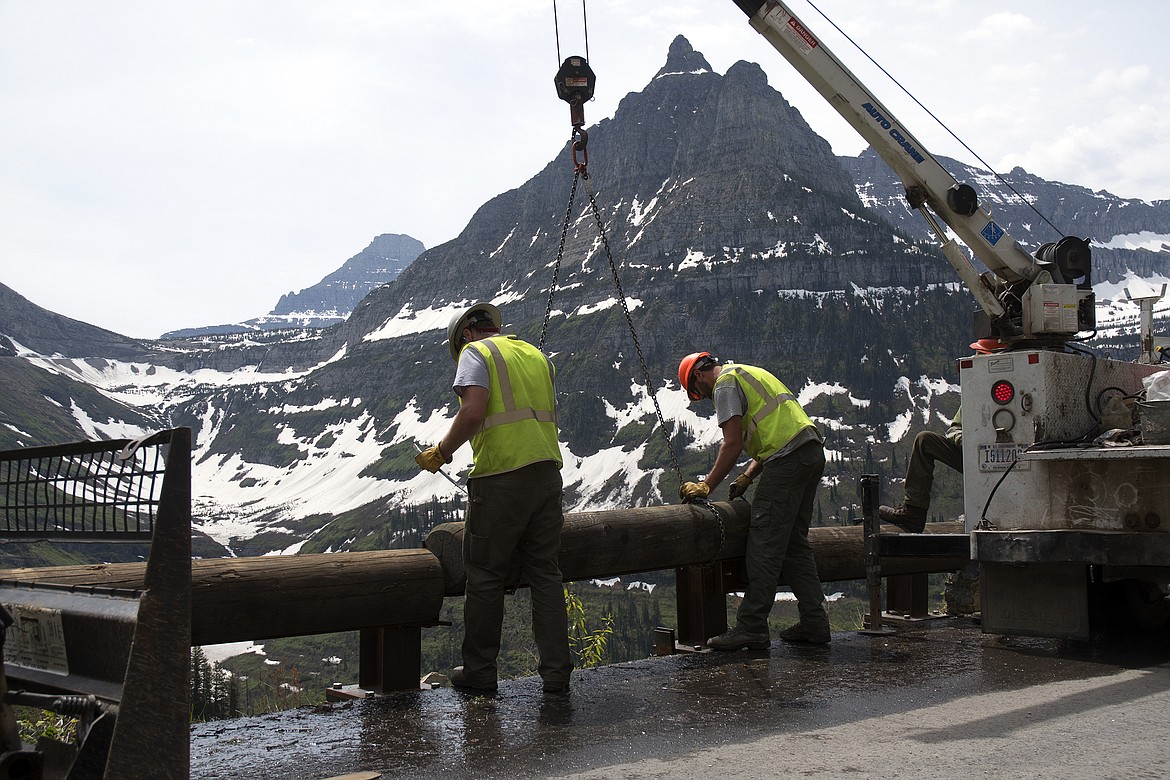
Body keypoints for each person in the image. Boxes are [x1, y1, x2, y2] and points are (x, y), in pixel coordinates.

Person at [415, 302, 572, 694]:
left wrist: (442, 451)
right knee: (546, 575)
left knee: (484, 576)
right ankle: (557, 673)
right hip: (547, 474)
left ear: (465, 334)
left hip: (501, 476)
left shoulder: (475, 352)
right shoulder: (535, 355)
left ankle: (480, 673)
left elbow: (472, 411)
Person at [676, 351, 831, 650]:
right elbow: (778, 430)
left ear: (698, 376)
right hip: (810, 453)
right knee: (794, 544)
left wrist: (706, 486)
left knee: (764, 542)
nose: (704, 398)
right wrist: (748, 475)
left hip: (787, 461)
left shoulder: (723, 385)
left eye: (698, 394)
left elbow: (732, 444)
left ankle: (752, 627)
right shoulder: (747, 372)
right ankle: (815, 621)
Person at [878, 338, 1005, 533]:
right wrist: (963, 440)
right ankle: (913, 512)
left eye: (980, 354)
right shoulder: (975, 393)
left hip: (1010, 460)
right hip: (975, 455)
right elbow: (954, 428)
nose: (974, 358)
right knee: (924, 441)